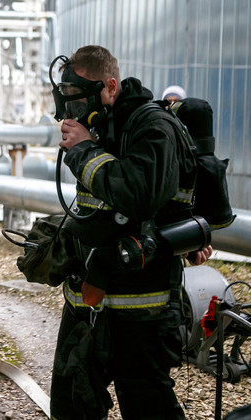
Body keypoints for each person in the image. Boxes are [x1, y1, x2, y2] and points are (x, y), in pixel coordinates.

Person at [48, 45, 212, 419]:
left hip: (142, 310)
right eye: (66, 98)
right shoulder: (100, 126)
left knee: (146, 406)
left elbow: (138, 196)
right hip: (87, 298)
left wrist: (84, 150)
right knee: (70, 404)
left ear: (110, 86)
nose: (72, 109)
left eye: (79, 98)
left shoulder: (153, 127)